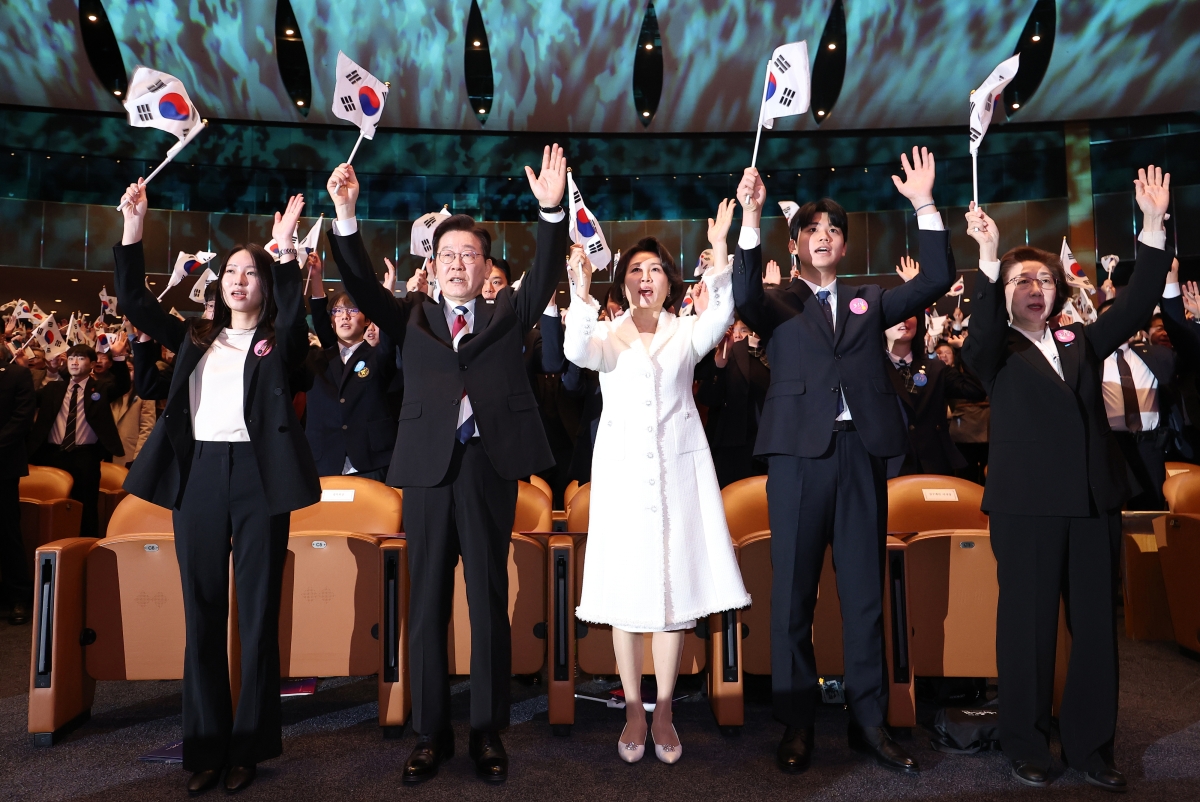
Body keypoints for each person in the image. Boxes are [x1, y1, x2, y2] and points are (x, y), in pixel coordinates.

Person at [324, 149, 567, 785]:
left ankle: (487, 731)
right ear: (431, 265)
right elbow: (360, 284)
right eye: (448, 255)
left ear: (485, 267)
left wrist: (550, 210)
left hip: (488, 467)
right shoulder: (411, 315)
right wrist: (345, 215)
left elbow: (545, 272)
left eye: (470, 255)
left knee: (488, 599)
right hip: (428, 471)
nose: (459, 264)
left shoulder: (507, 313)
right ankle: (430, 733)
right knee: (426, 601)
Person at [732, 148, 954, 776]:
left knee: (863, 597)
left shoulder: (868, 299)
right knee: (792, 598)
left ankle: (868, 723)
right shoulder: (776, 301)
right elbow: (742, 291)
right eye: (812, 229)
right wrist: (749, 217)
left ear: (845, 246)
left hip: (861, 456)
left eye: (833, 229)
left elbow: (935, 279)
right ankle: (797, 723)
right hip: (797, 460)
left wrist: (924, 204)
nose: (824, 236)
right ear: (795, 244)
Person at [960, 165, 1173, 791]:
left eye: (1045, 279)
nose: (1036, 288)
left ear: (1058, 291)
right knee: (1026, 629)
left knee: (1096, 631)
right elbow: (982, 327)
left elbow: (1134, 304)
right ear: (1004, 292)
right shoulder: (993, 351)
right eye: (1022, 280)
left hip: (1091, 502)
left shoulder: (1081, 340)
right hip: (1026, 508)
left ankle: (1091, 747)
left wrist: (1152, 227)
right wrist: (990, 258)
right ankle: (1025, 742)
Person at [114, 180, 320, 795]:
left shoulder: (279, 343)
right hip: (200, 475)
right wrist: (133, 227)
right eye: (231, 271)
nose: (238, 280)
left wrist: (285, 252)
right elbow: (133, 300)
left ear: (264, 284)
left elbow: (296, 324)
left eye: (250, 272)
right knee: (201, 613)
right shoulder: (196, 338)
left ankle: (249, 746)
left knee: (257, 615)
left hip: (259, 479)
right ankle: (205, 745)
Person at [564, 200, 750, 764]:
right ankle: (632, 710)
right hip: (622, 479)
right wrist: (581, 293)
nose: (645, 278)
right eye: (635, 270)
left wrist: (720, 249)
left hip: (677, 475)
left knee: (673, 598)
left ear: (670, 281)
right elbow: (574, 351)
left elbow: (722, 313)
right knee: (628, 598)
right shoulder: (605, 333)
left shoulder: (687, 332)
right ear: (623, 281)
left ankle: (664, 709)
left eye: (655, 270)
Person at [303, 253, 398, 481]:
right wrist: (315, 279)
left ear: (367, 320)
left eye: (353, 310)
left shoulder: (377, 356)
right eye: (337, 311)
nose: (344, 316)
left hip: (371, 460)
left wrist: (386, 299)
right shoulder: (319, 358)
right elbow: (317, 319)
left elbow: (389, 335)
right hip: (325, 459)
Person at [28, 342, 131, 538]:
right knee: (53, 505)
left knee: (86, 507)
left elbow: (122, 385)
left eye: (81, 358)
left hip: (85, 457)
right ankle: (53, 540)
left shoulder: (100, 388)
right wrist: (29, 367)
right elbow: (27, 398)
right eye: (72, 358)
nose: (75, 362)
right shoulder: (53, 388)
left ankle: (85, 545)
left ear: (92, 364)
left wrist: (118, 357)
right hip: (52, 455)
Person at [1097, 288, 1178, 511]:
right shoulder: (1087, 361)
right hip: (1109, 446)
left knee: (1150, 511)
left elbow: (1188, 348)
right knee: (1109, 512)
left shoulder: (1159, 356)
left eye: (1122, 316)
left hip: (1150, 446)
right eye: (1110, 317)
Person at [883, 313, 986, 477]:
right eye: (897, 314)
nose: (903, 320)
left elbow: (974, 390)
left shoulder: (936, 368)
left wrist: (964, 350)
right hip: (887, 462)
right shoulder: (874, 369)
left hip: (932, 461)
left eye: (909, 314)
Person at [695, 315, 771, 487]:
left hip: (765, 446)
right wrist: (721, 360)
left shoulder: (768, 355)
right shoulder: (725, 355)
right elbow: (707, 397)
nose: (737, 335)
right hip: (730, 447)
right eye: (733, 330)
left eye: (743, 330)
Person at [0, 348, 36, 624]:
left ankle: (18, 597)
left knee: (7, 531)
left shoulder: (17, 374)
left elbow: (22, 418)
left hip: (3, 465)